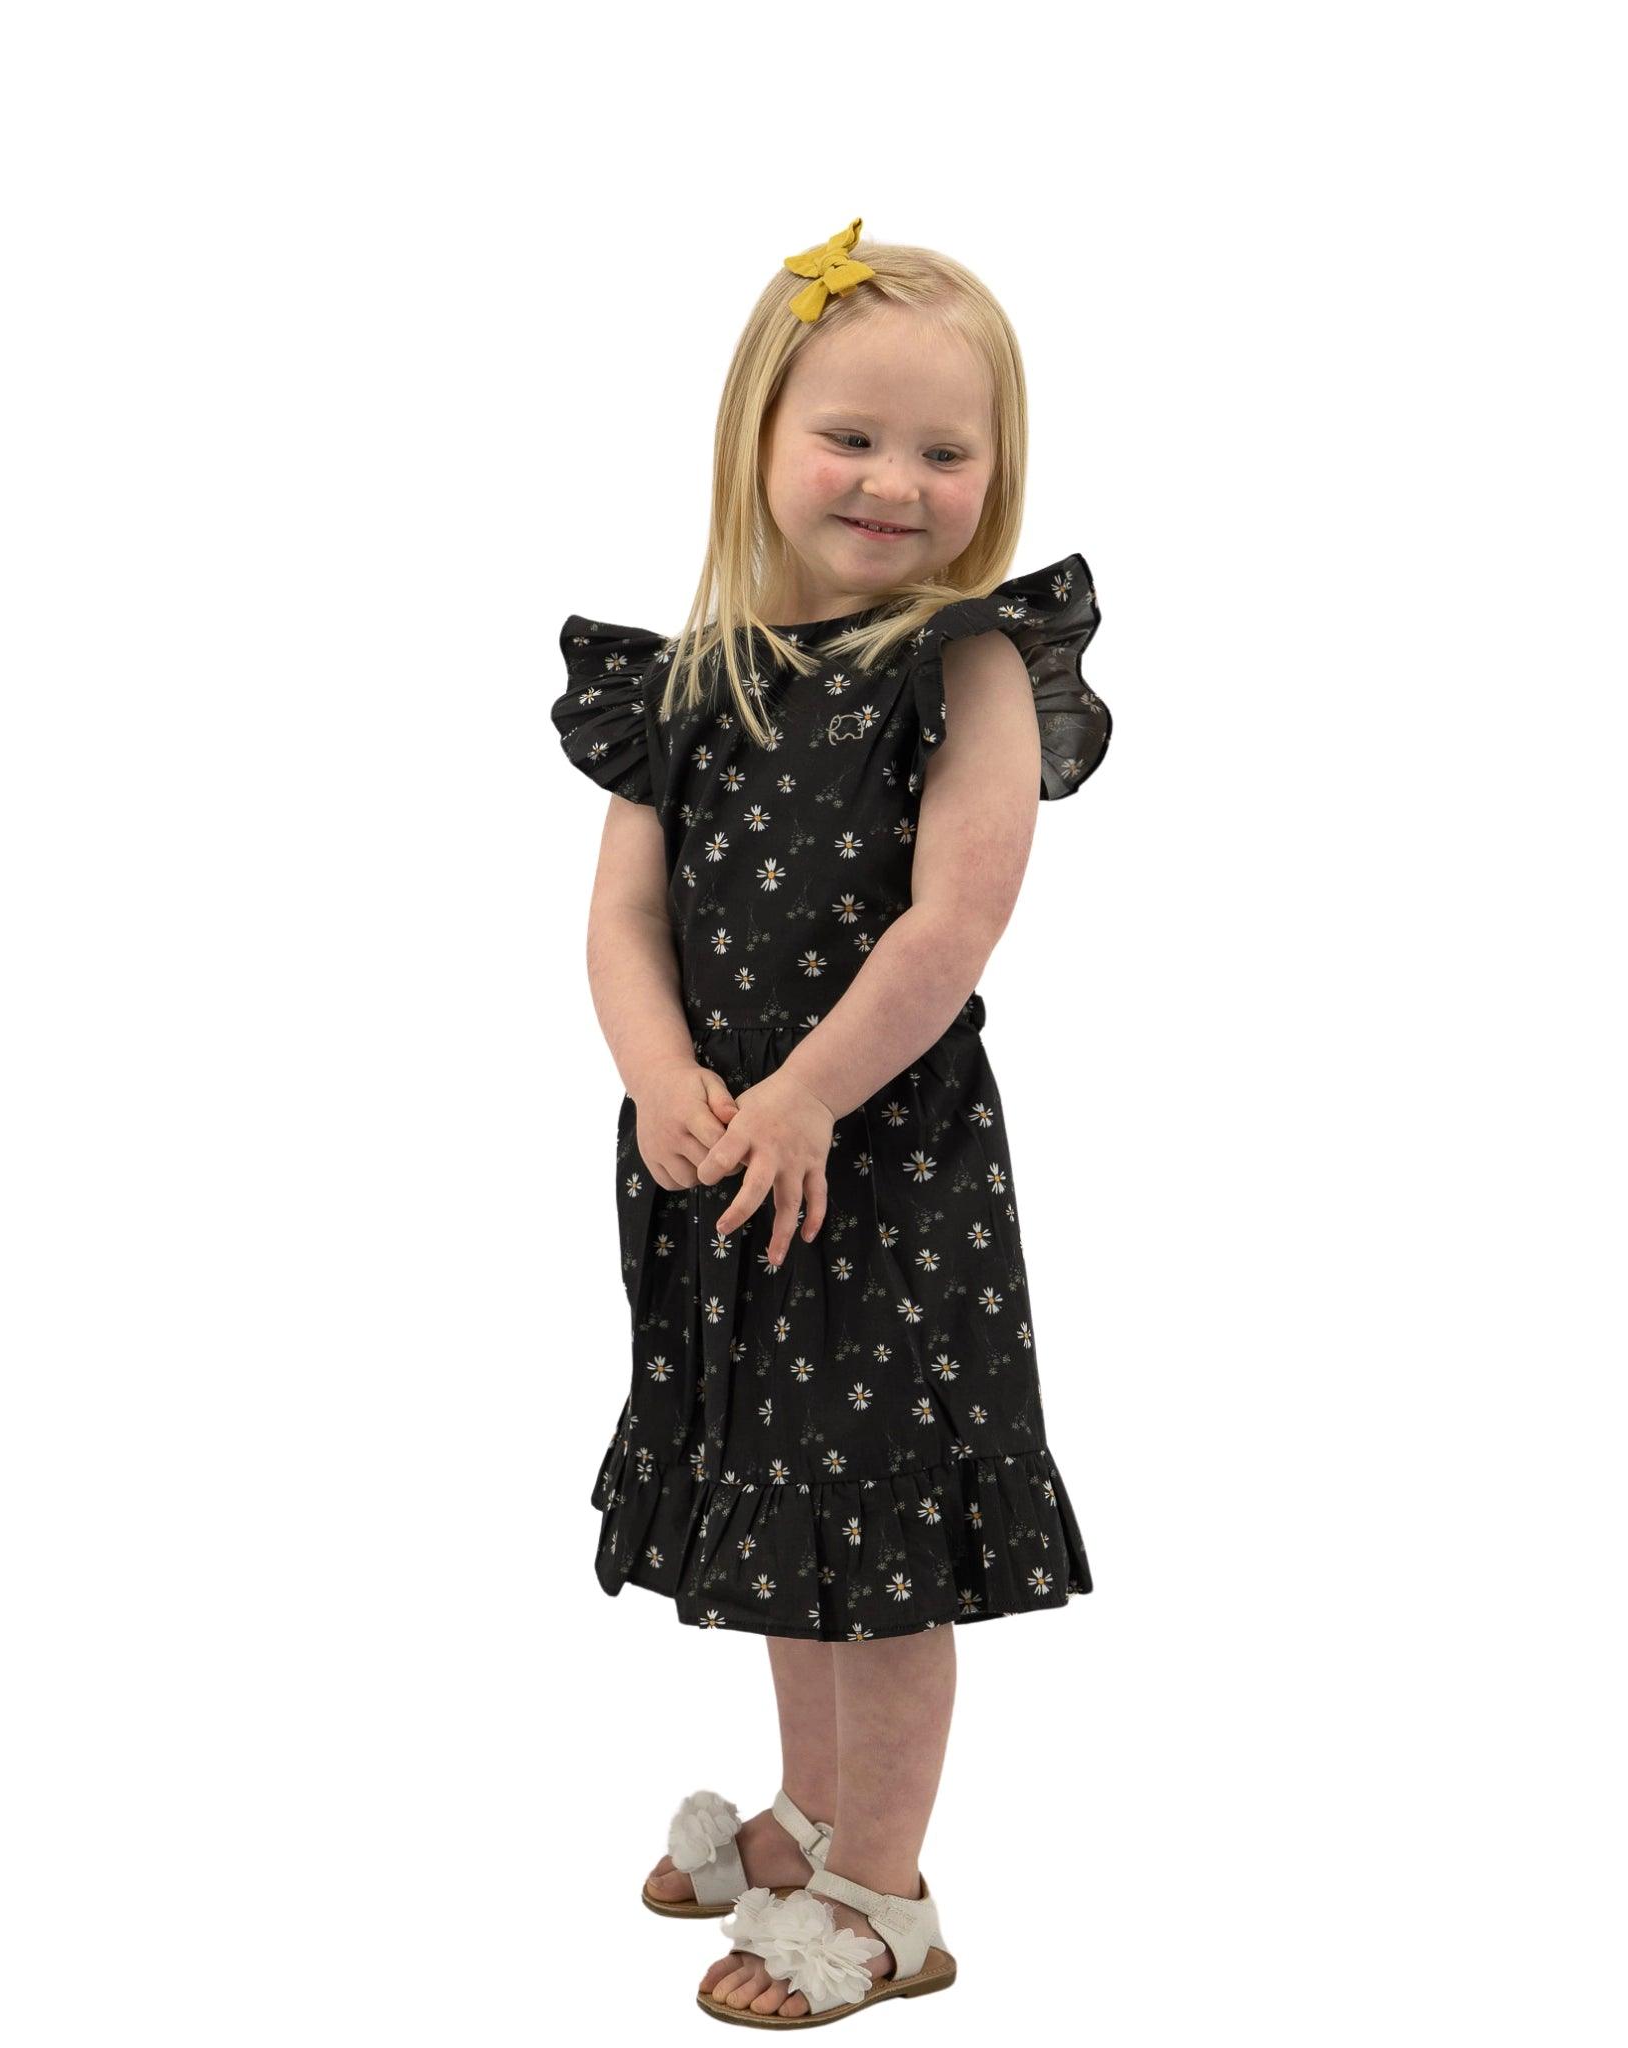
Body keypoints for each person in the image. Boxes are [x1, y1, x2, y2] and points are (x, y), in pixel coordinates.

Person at [548, 217, 1114, 2026]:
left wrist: (803, 1093)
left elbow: (956, 916)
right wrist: (662, 1077)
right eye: (853, 438)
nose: (896, 482)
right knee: (787, 1517)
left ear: (995, 478)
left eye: (948, 453)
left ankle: (889, 1891)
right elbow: (623, 917)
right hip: (722, 1175)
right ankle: (813, 1808)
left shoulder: (973, 666)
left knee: (880, 1535)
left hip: (879, 1174)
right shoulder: (686, 676)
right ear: (759, 441)